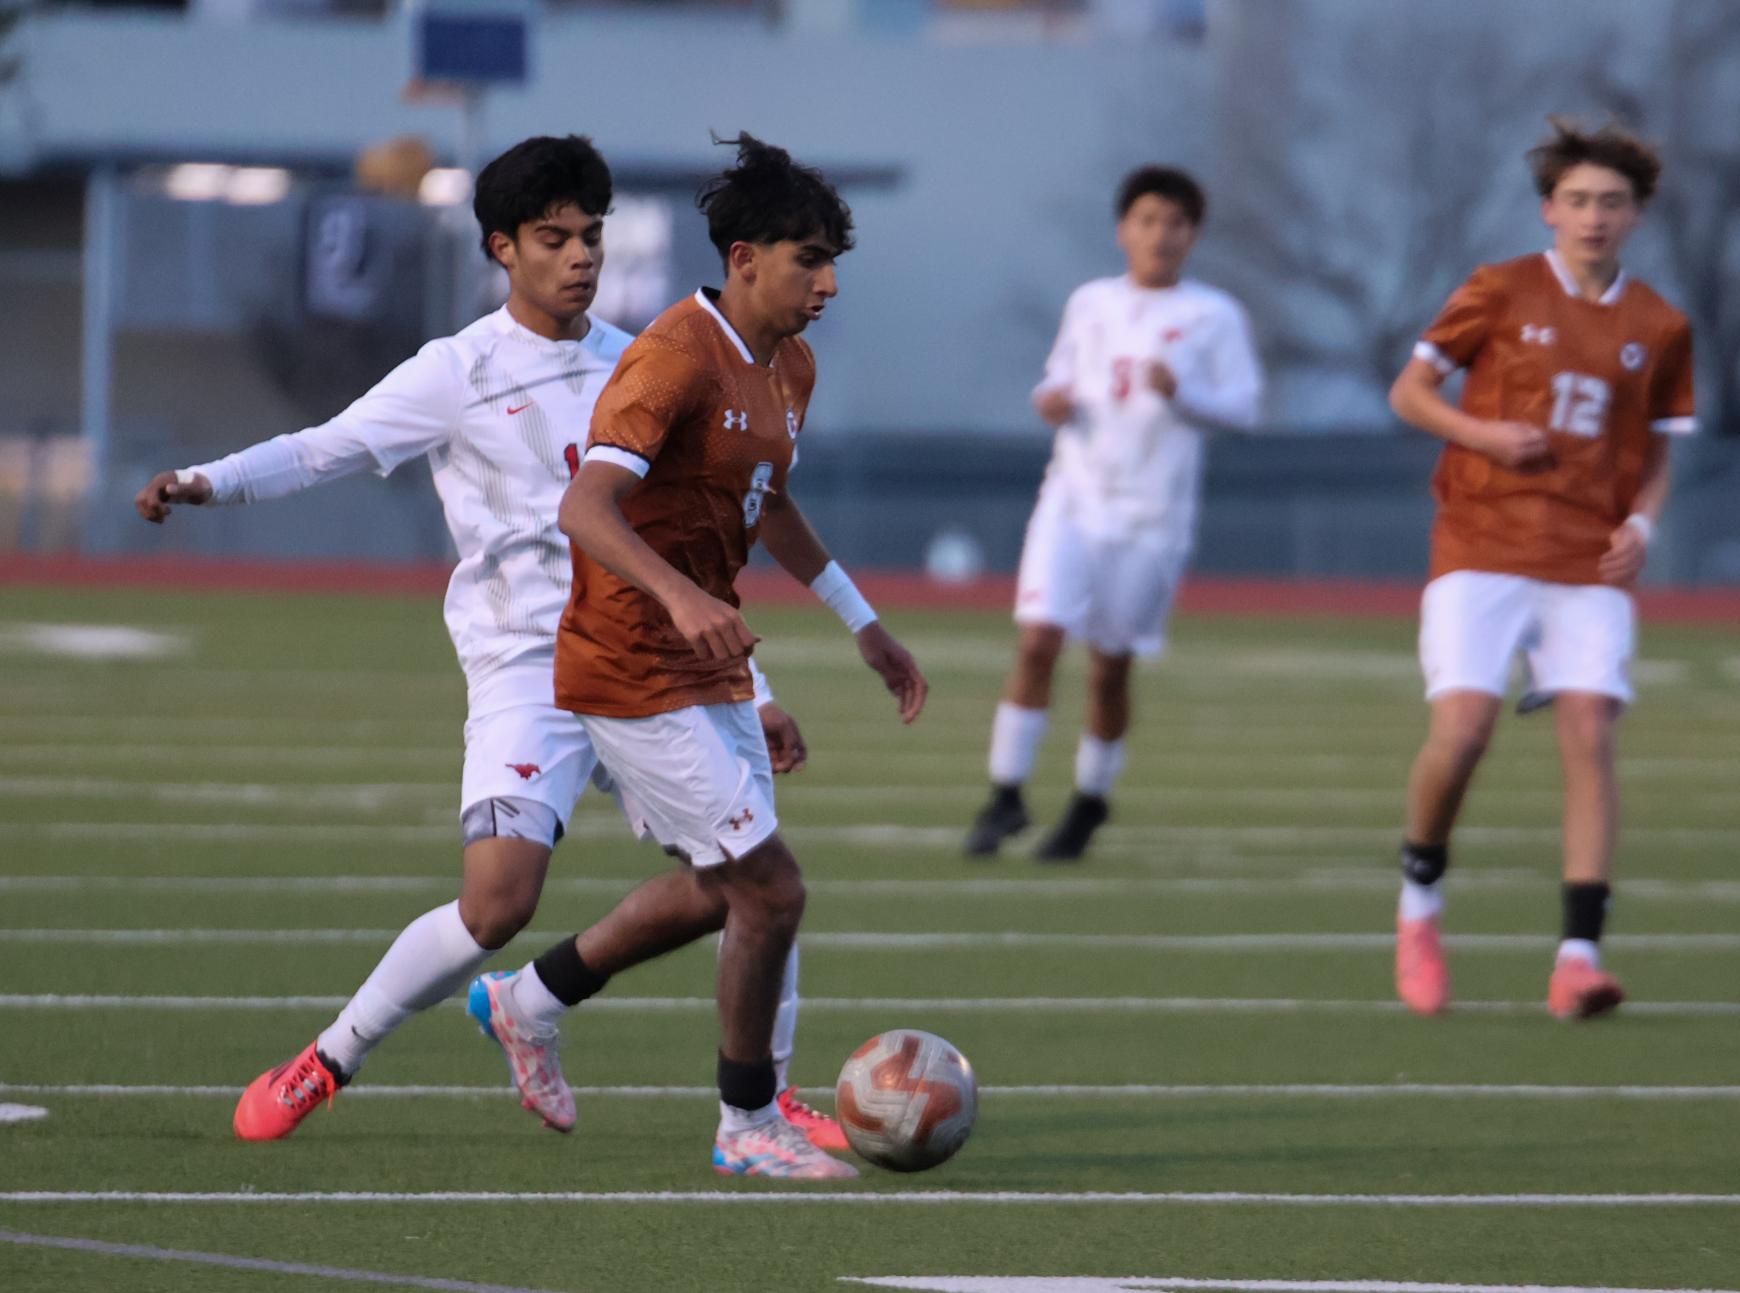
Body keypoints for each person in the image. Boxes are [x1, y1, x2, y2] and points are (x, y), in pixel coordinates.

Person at [132, 135, 841, 1146]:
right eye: (554, 239)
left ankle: (750, 1095)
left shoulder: (648, 362)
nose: (581, 256)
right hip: (527, 667)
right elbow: (326, 447)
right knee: (496, 901)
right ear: (502, 249)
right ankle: (332, 1054)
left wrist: (753, 683)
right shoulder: (456, 371)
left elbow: (702, 552)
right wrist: (209, 479)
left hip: (652, 661)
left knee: (753, 875)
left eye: (591, 235)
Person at [470, 133, 927, 1181]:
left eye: (832, 260)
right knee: (773, 891)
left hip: (703, 664)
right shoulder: (674, 354)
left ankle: (528, 1000)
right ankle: (747, 1123)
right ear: (744, 257)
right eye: (808, 258)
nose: (828, 282)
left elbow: (771, 507)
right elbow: (585, 506)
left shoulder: (789, 365)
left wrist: (862, 623)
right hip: (628, 662)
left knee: (725, 888)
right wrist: (678, 597)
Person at [1384, 118, 1696, 1021]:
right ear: (1547, 210)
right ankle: (1418, 903)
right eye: (1577, 201)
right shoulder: (1498, 289)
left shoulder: (1659, 324)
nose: (1593, 216)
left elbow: (1660, 451)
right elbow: (1409, 391)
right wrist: (1481, 433)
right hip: (1481, 542)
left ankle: (1577, 957)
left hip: (1589, 559)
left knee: (1590, 732)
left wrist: (1643, 522)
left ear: (1636, 214)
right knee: (1465, 731)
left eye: (1611, 202)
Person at [963, 165, 1262, 861]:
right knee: (1037, 638)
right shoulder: (1091, 302)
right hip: (1073, 497)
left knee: (1109, 666)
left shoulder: (1212, 316)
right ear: (1123, 228)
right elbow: (1059, 377)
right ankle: (1005, 794)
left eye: (1175, 223)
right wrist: (1051, 398)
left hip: (1151, 516)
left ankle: (1089, 801)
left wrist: (1183, 392)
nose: (1160, 235)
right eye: (1148, 220)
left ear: (1192, 235)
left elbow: (1244, 408)